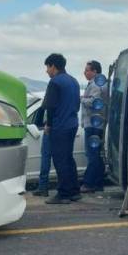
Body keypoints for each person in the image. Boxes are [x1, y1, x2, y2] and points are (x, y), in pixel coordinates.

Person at [42, 53, 81, 204]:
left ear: (53, 66)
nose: (46, 71)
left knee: (59, 160)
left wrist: (48, 125)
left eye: (47, 67)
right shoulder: (74, 81)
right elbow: (77, 105)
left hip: (59, 126)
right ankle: (74, 191)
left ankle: (63, 194)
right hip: (72, 124)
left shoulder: (55, 82)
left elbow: (50, 107)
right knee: (68, 158)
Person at [80, 60, 107, 193]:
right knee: (96, 154)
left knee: (92, 155)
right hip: (95, 124)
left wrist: (82, 99)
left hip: (93, 124)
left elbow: (94, 102)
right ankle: (98, 183)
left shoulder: (96, 84)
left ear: (95, 71)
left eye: (87, 70)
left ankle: (89, 183)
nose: (85, 72)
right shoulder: (96, 83)